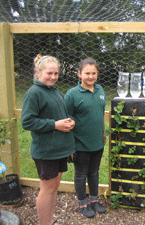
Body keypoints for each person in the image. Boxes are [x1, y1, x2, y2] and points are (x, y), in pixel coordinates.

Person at [21, 54, 75, 225]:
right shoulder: (34, 93)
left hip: (59, 149)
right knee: (47, 189)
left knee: (54, 187)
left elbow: (59, 116)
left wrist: (68, 120)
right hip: (46, 151)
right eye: (49, 73)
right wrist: (55, 125)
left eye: (56, 73)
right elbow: (27, 121)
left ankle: (49, 219)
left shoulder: (54, 91)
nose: (53, 77)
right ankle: (44, 222)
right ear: (38, 72)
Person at [64, 57, 107, 218]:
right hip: (80, 144)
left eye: (94, 73)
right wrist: (70, 146)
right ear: (79, 74)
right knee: (81, 174)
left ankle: (94, 201)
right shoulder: (72, 95)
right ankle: (83, 203)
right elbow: (66, 120)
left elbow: (100, 114)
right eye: (87, 73)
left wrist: (102, 134)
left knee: (94, 172)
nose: (90, 77)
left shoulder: (100, 90)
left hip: (97, 142)